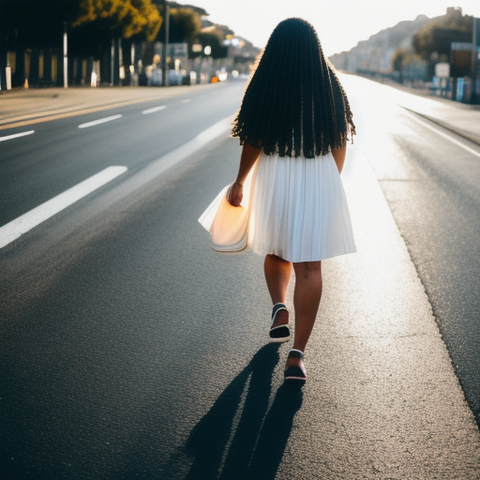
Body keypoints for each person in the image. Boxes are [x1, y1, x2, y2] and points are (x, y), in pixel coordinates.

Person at [227, 18, 356, 383]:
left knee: (276, 249)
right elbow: (339, 138)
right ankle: (297, 357)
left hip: (276, 174)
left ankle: (279, 307)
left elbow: (253, 138)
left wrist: (240, 181)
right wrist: (329, 179)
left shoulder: (267, 82)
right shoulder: (329, 84)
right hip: (317, 174)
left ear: (276, 47)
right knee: (310, 266)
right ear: (315, 47)